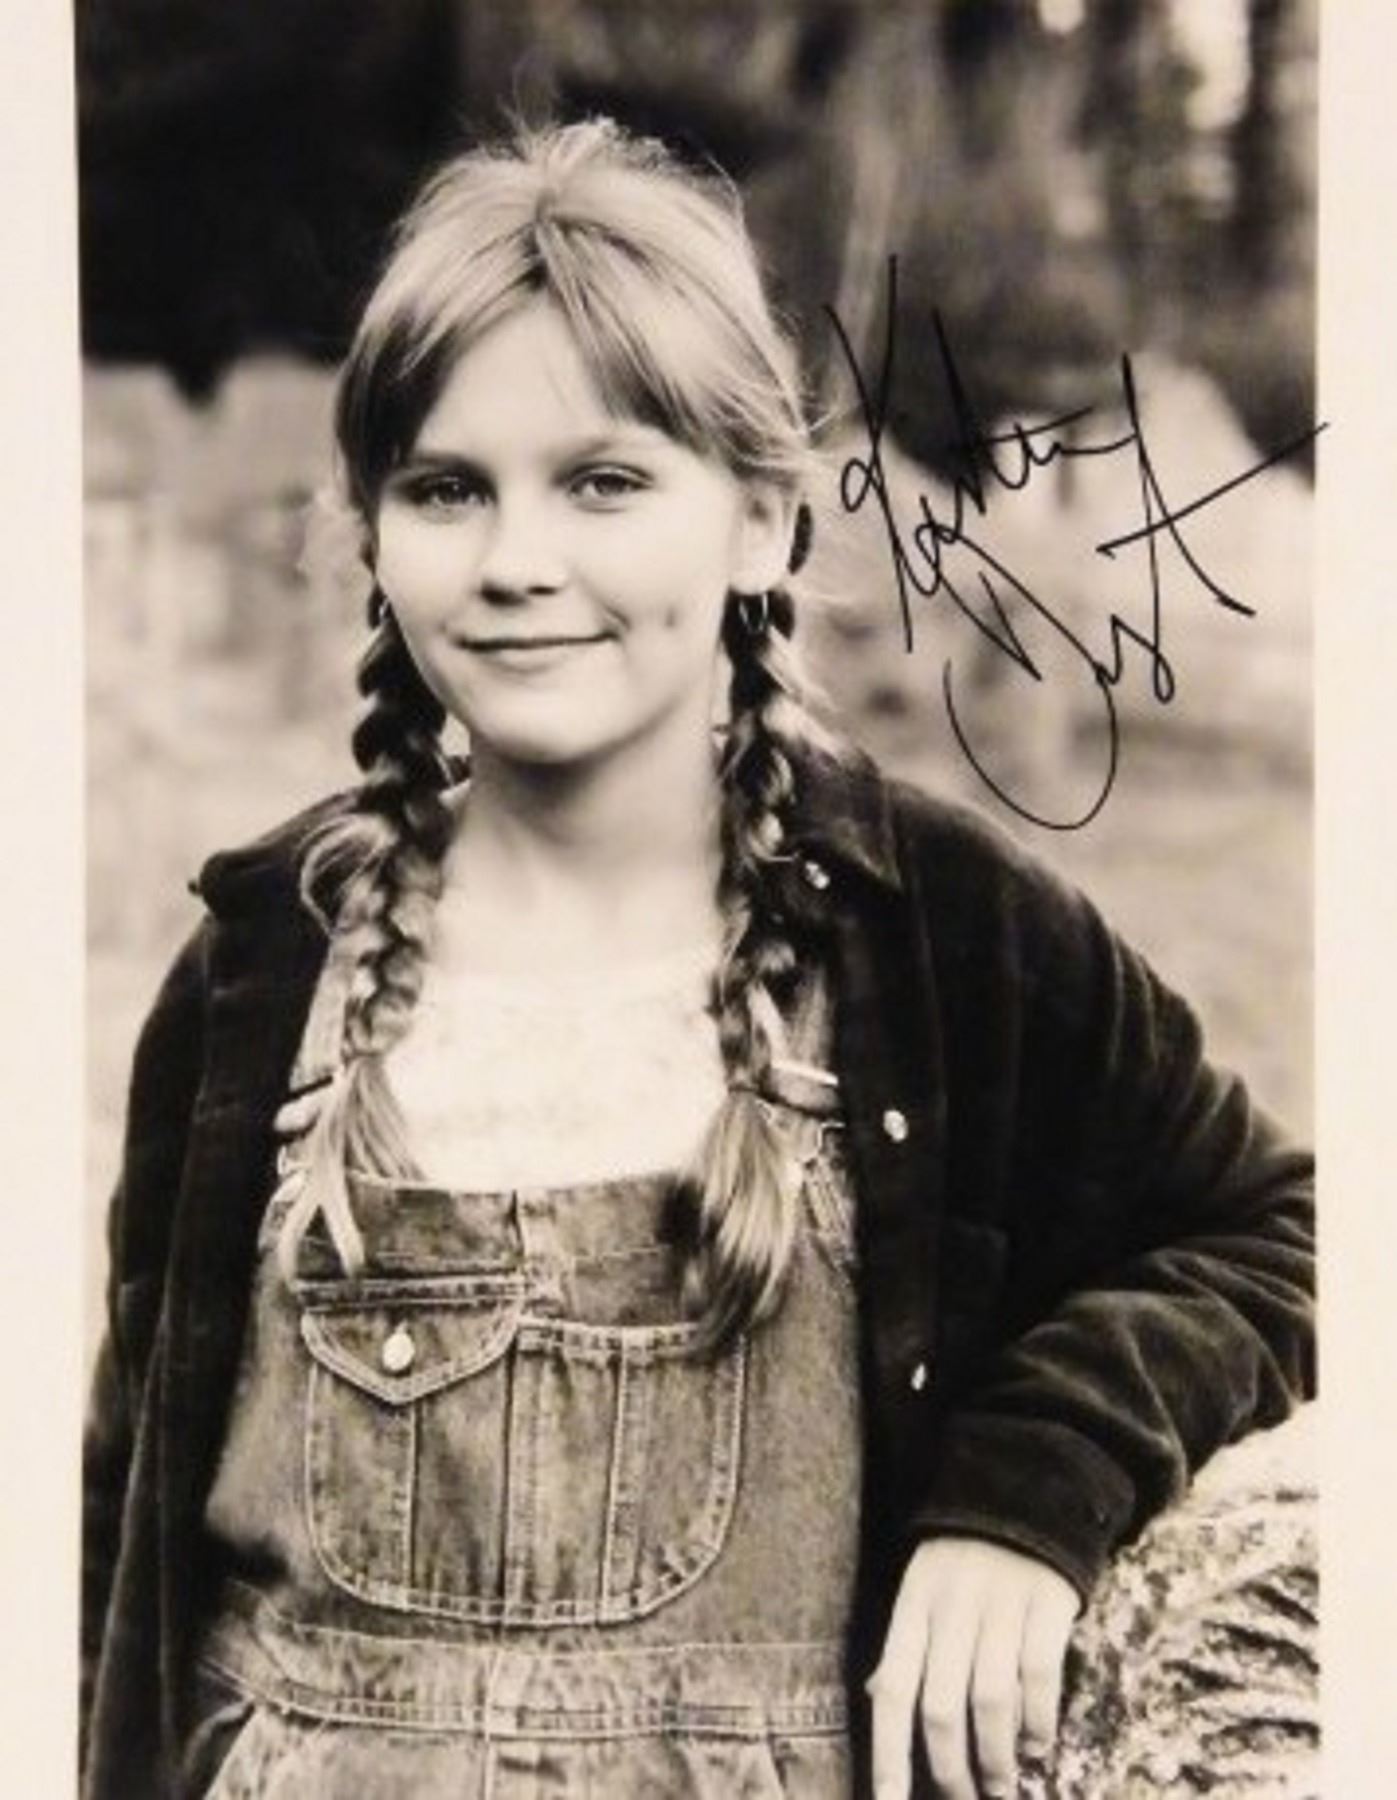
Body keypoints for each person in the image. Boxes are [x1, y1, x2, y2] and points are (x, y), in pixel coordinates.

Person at [81, 118, 1315, 1800]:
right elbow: (124, 1549)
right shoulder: (257, 971)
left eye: (604, 481)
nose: (518, 563)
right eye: (446, 488)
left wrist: (1031, 1488)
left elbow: (1275, 1230)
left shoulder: (935, 933)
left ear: (758, 521)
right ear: (371, 529)